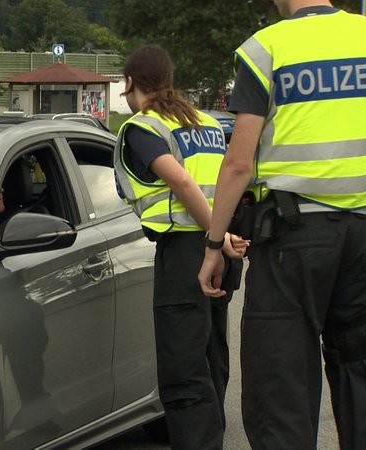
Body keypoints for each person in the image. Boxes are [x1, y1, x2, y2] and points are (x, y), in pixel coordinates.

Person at [198, 1, 366, 449]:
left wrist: (215, 245)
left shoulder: (265, 48)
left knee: (281, 383)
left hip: (295, 238)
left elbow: (238, 163)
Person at [113, 44, 247, 449]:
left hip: (190, 252)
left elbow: (183, 183)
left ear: (131, 82)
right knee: (212, 362)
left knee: (184, 376)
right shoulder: (205, 122)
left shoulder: (144, 127)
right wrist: (224, 237)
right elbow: (229, 177)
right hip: (218, 249)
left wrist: (215, 236)